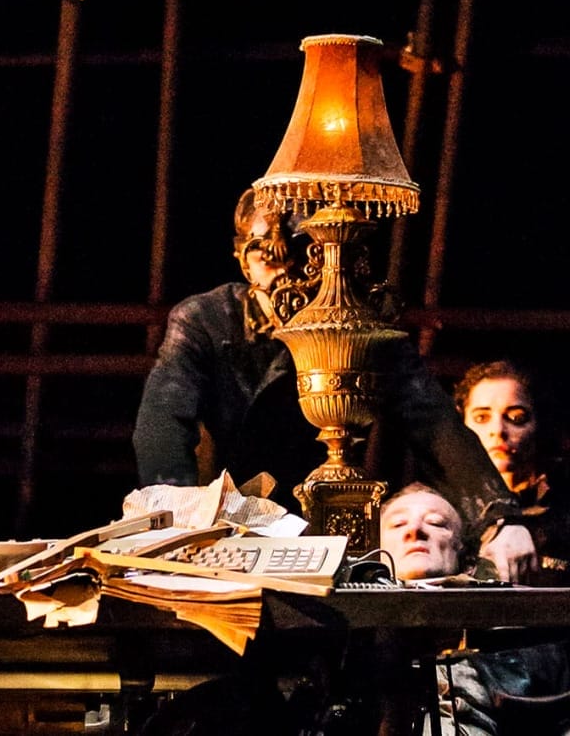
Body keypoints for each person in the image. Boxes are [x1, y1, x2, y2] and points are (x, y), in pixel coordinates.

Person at [134, 189, 536, 580]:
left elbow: (431, 420)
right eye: (265, 254)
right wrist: (176, 516)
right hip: (226, 528)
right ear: (243, 261)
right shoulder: (207, 321)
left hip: (325, 529)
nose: (285, 271)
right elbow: (164, 419)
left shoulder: (358, 322)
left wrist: (500, 518)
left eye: (298, 251)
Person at [378, 485, 570, 736]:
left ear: (467, 560)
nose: (415, 530)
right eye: (397, 524)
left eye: (436, 523)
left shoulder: (520, 639)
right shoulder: (354, 643)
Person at [456, 360, 567, 576]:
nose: (498, 430)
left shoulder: (563, 506)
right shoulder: (450, 508)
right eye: (481, 417)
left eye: (516, 418)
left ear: (539, 423)